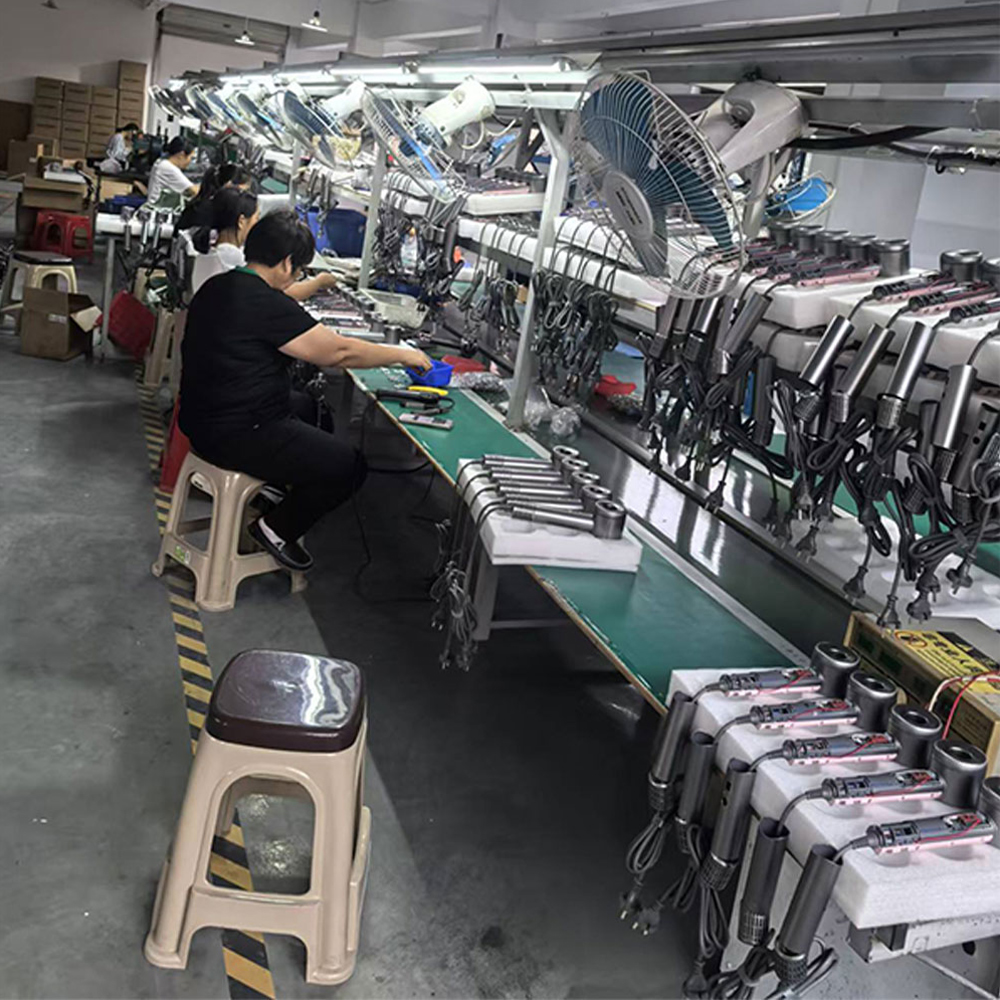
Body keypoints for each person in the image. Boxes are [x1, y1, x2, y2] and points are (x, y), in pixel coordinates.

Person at [180, 209, 432, 571]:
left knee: (312, 410)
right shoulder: (268, 304)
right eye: (298, 269)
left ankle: (279, 487)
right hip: (237, 432)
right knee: (350, 465)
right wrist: (403, 355)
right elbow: (337, 352)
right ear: (285, 264)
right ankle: (276, 527)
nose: (297, 276)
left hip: (201, 418)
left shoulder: (221, 285)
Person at [191, 187, 260, 294]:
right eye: (256, 219)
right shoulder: (232, 258)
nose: (257, 225)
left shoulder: (208, 251)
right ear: (241, 221)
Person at [177, 162, 252, 231]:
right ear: (228, 185)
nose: (243, 197)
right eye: (242, 192)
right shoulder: (215, 214)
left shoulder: (200, 204)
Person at [146, 136, 198, 205]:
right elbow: (195, 191)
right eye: (191, 158)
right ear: (181, 155)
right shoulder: (168, 168)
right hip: (159, 210)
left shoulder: (161, 161)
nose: (190, 162)